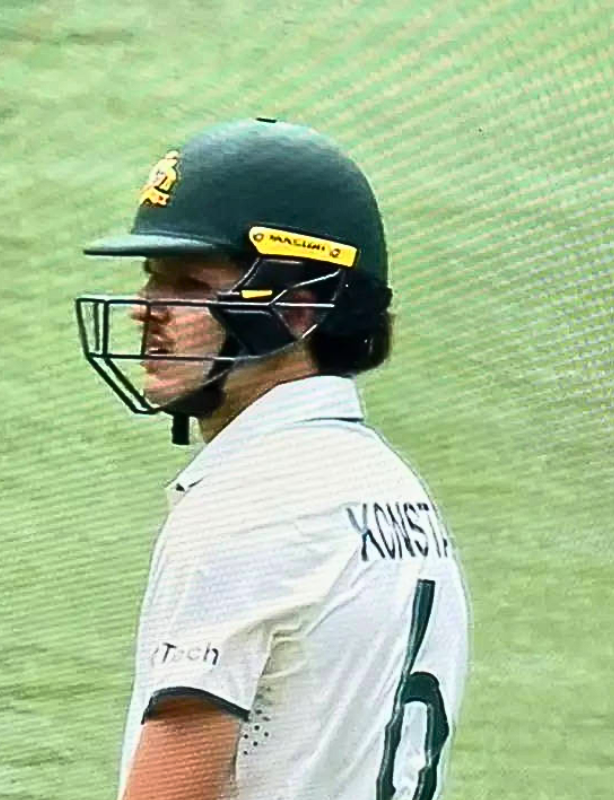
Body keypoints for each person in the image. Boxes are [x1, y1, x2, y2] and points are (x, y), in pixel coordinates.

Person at [76, 118, 469, 800]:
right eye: (151, 277)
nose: (145, 309)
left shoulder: (249, 504)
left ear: (298, 306)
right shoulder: (395, 492)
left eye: (189, 282)